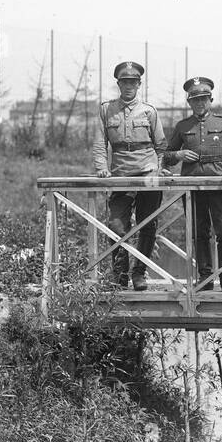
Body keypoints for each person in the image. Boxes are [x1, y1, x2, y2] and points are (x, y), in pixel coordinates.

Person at [163, 76, 222, 294]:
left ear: (210, 100)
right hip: (193, 188)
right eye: (195, 100)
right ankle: (205, 277)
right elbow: (167, 156)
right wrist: (179, 154)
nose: (200, 103)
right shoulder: (182, 126)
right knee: (199, 233)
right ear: (189, 103)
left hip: (219, 186)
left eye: (204, 99)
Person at [92, 60, 169, 290]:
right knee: (116, 226)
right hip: (120, 174)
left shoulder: (149, 111)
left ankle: (139, 274)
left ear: (139, 84)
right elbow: (99, 144)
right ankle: (120, 276)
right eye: (125, 82)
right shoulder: (106, 109)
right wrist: (101, 168)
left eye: (133, 82)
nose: (129, 86)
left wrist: (159, 167)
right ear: (118, 84)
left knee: (148, 224)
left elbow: (161, 145)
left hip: (147, 172)